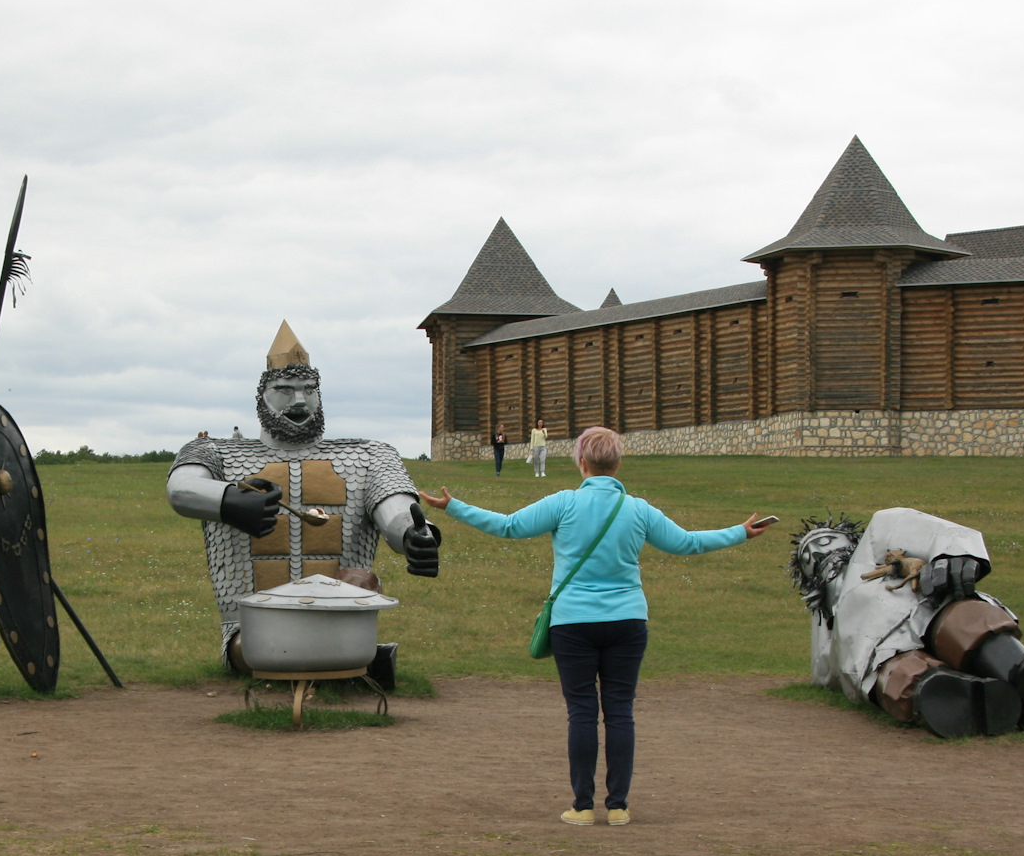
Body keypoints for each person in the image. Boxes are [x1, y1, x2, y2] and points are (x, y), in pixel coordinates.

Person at [420, 427, 770, 825]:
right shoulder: (637, 509)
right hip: (628, 620)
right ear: (617, 464)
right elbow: (687, 542)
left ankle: (582, 807)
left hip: (573, 622)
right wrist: (739, 533)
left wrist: (454, 507)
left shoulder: (564, 503)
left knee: (582, 713)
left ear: (582, 464)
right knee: (620, 712)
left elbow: (508, 526)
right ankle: (618, 807)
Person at [166, 321, 443, 685]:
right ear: (262, 397)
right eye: (284, 390)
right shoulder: (214, 452)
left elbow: (394, 505)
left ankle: (342, 657)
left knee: (355, 586)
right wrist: (228, 500)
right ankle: (353, 662)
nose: (299, 401)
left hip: (340, 613)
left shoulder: (371, 455)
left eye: (309, 390)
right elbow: (181, 488)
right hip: (252, 628)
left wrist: (413, 534)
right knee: (255, 648)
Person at [790, 510, 1024, 736]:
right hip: (881, 652)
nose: (817, 556)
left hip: (927, 607)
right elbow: (826, 673)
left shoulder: (871, 549)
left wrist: (953, 552)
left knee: (967, 624)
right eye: (808, 559)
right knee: (902, 676)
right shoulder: (829, 622)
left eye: (824, 543)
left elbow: (901, 522)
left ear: (849, 542)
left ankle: (1022, 672)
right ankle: (951, 698)